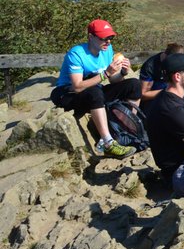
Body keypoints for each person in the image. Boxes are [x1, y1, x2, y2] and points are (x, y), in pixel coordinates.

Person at [50, 19, 140, 158]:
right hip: (67, 94)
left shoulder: (107, 50)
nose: (108, 42)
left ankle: (127, 126)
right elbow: (77, 86)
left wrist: (122, 72)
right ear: (91, 37)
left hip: (94, 93)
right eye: (104, 38)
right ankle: (108, 143)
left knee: (134, 84)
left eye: (110, 37)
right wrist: (106, 74)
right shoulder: (76, 54)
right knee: (95, 91)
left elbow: (113, 80)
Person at [145, 52, 184, 179]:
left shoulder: (166, 98)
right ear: (177, 76)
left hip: (178, 163)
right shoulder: (171, 108)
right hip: (180, 170)